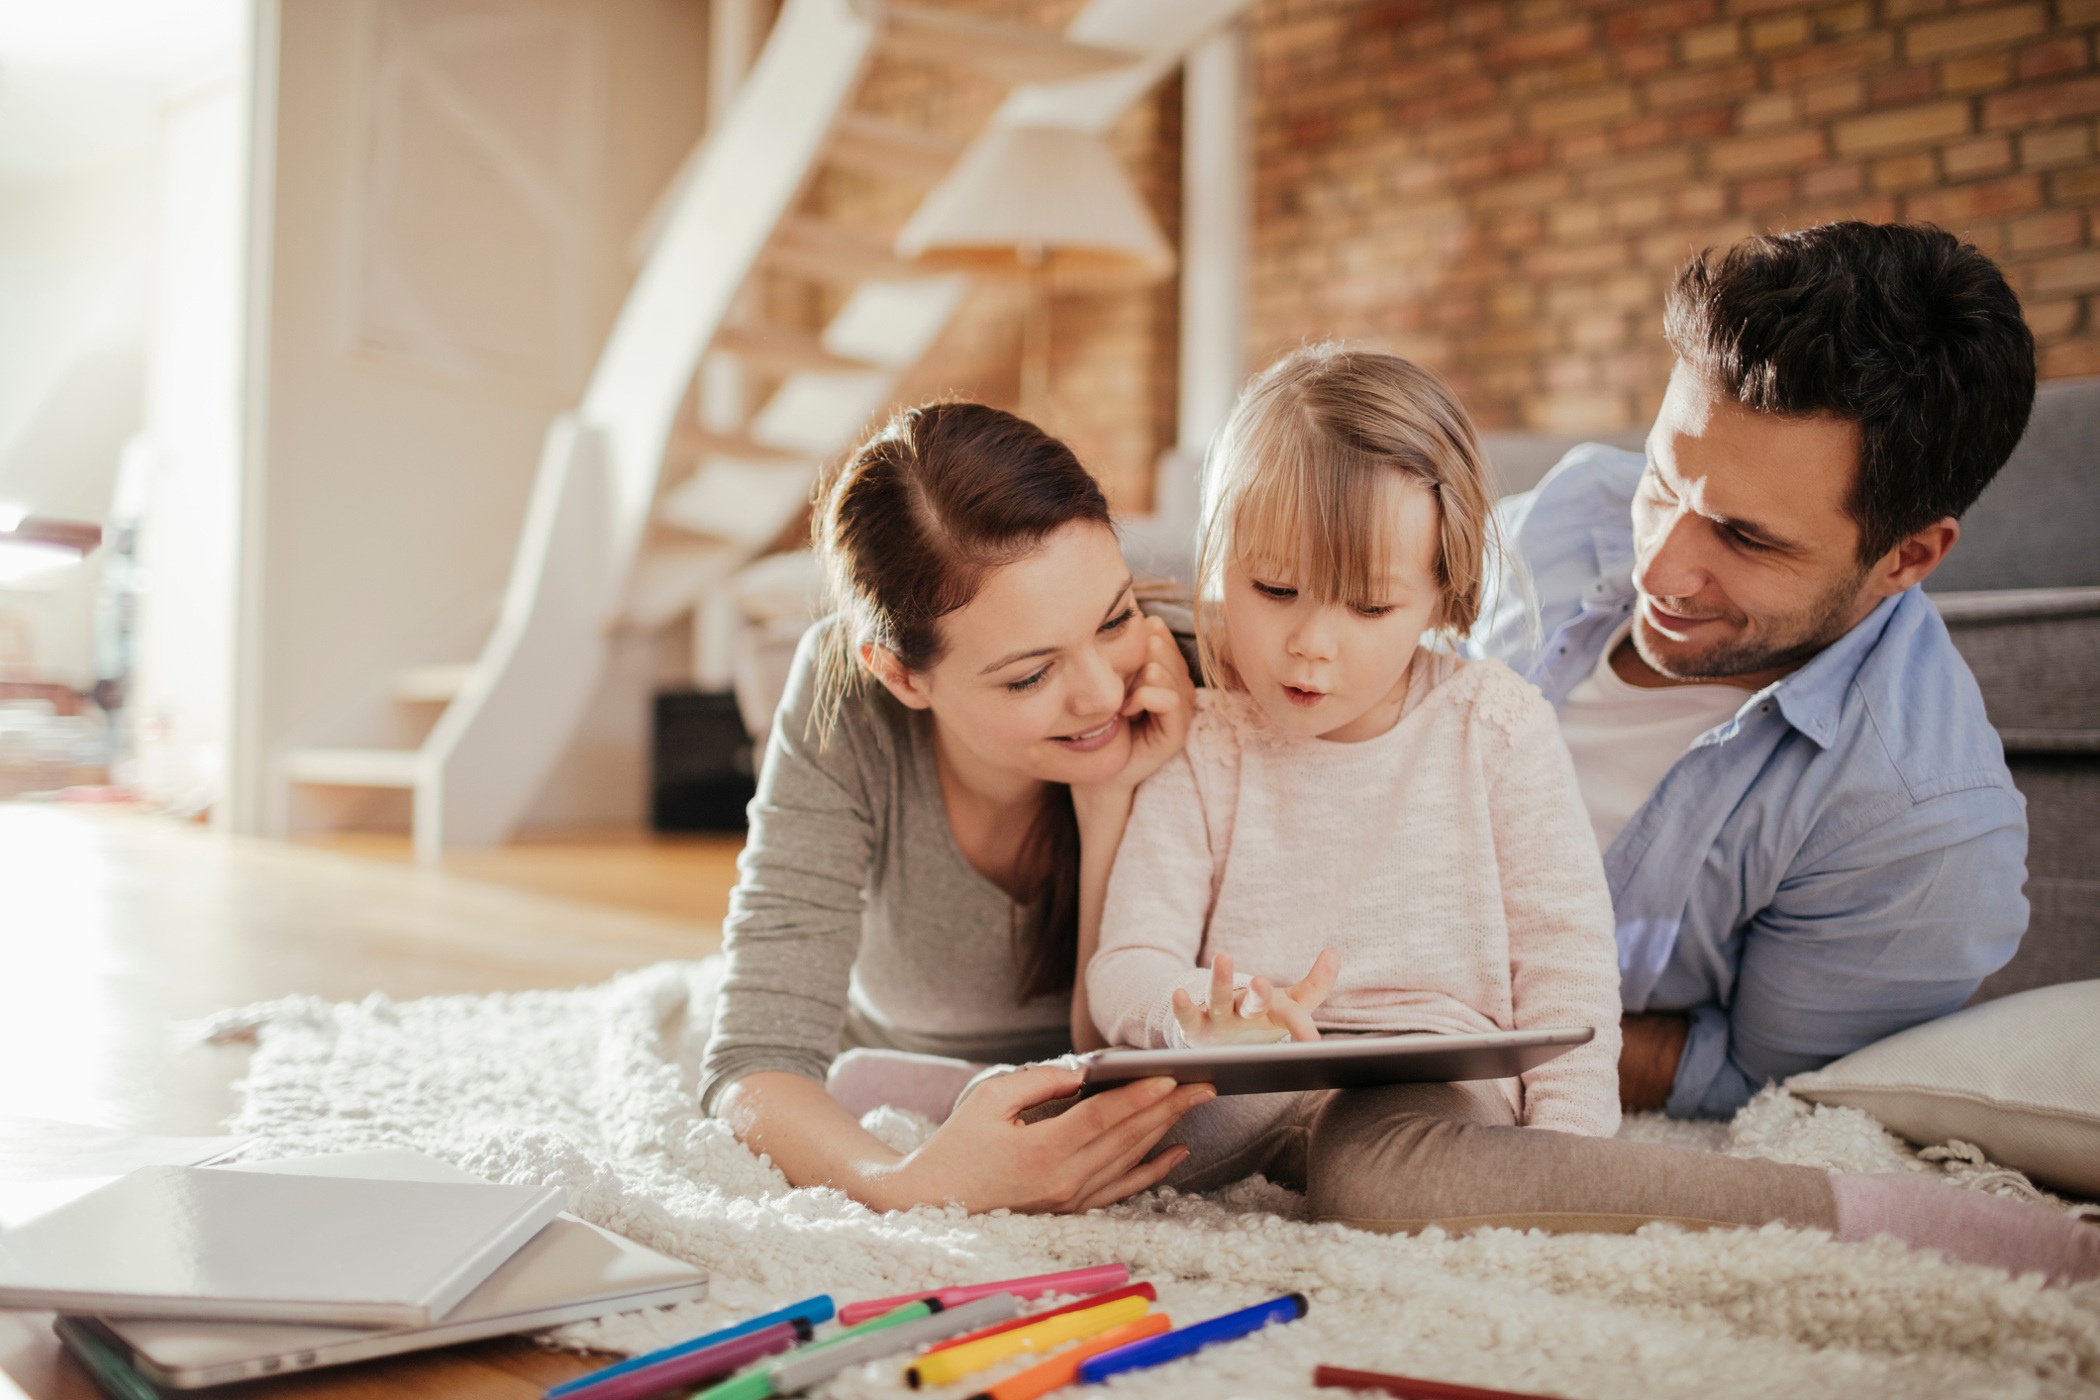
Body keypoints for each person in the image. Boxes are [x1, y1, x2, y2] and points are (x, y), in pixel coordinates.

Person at [1082, 346, 2095, 1281]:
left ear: (1445, 593)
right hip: (1237, 1073)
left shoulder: (1492, 720)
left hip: (1425, 1079)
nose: (1310, 644)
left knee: (1379, 1182)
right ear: (1221, 563)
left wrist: (1566, 1154)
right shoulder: (1207, 739)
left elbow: (1566, 961)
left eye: (1368, 607)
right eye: (1273, 588)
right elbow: (1126, 964)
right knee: (1094, 1132)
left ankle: (1871, 1213)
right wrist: (1194, 1014)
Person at [1476, 222, 2036, 1121]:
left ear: (1907, 556)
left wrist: (1453, 1022)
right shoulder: (1571, 506)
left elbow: (1761, 1085)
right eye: (1662, 482)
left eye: (1745, 537)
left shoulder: (1920, 830)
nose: (1655, 568)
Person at [700, 401, 1212, 1215]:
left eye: (1115, 618)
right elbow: (754, 1064)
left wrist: (1107, 799)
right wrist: (907, 1183)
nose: (1103, 691)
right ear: (901, 675)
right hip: (893, 1078)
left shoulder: (1193, 676)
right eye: (1028, 675)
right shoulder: (846, 700)